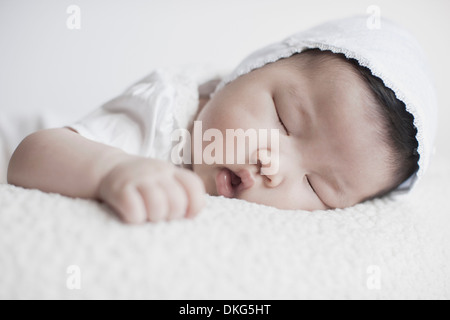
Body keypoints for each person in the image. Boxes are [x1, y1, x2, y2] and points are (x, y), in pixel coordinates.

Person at [7, 16, 437, 223]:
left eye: (316, 187)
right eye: (284, 121)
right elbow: (32, 153)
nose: (274, 166)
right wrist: (113, 169)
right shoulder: (166, 112)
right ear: (250, 68)